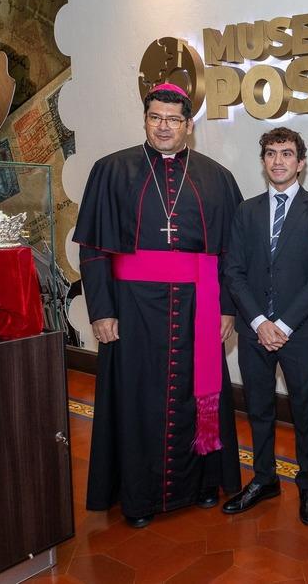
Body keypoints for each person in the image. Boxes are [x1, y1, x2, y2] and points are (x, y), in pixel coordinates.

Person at [73, 83, 243, 528]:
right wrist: (101, 310)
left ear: (189, 126)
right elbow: (93, 249)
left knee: (197, 391)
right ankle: (139, 495)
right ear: (145, 120)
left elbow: (232, 254)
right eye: (155, 118)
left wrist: (227, 307)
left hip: (197, 307)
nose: (163, 127)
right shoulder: (111, 170)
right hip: (132, 309)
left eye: (173, 119)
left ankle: (201, 484)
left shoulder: (217, 177)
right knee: (138, 399)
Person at [223, 127, 308, 525]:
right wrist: (258, 322)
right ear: (263, 161)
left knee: (303, 412)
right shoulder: (246, 211)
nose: (278, 161)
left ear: (301, 163)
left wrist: (282, 324)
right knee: (259, 408)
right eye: (271, 153)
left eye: (287, 153)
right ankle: (264, 479)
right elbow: (233, 271)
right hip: (253, 331)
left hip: (298, 331)